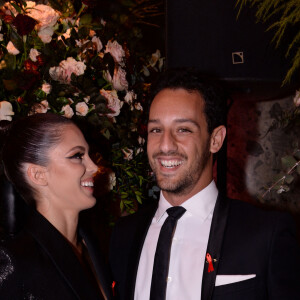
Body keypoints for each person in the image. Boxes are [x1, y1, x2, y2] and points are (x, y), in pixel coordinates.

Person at [109, 68, 300, 300]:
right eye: (156, 129)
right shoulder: (124, 234)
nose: (165, 145)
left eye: (183, 129)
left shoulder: (266, 234)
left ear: (215, 139)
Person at [0, 113, 111, 299]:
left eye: (88, 154)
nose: (93, 167)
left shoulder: (95, 245)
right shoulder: (14, 261)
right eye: (77, 156)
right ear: (38, 175)